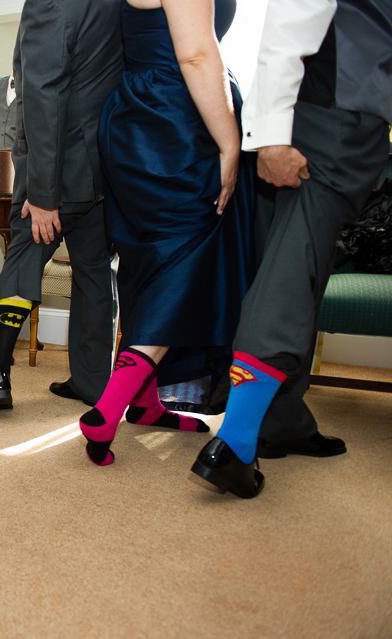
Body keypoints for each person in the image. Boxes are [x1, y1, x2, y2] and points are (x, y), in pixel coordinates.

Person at [192, 0, 391, 498]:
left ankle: (280, 421)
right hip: (332, 122)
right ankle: (234, 444)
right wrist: (275, 137)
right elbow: (292, 19)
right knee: (291, 277)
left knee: (291, 270)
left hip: (315, 117)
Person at [80, 0, 256, 465]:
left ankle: (148, 401)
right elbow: (196, 54)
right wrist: (230, 142)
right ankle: (109, 407)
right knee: (191, 258)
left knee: (149, 261)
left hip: (133, 116)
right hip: (176, 121)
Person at [0, 0, 122, 412]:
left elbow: (42, 94)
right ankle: (93, 383)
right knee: (95, 272)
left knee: (23, 260)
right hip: (104, 165)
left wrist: (42, 194)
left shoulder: (51, 2)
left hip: (57, 173)